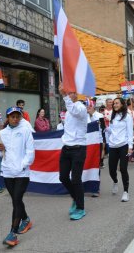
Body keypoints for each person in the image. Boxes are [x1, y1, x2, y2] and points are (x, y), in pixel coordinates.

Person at [0, 106, 35, 247]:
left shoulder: (25, 131)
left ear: (20, 117)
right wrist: (1, 150)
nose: (15, 119)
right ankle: (25, 220)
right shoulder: (1, 133)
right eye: (12, 116)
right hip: (7, 172)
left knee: (16, 200)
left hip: (21, 172)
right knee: (16, 200)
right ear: (8, 118)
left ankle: (12, 233)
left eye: (17, 116)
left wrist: (22, 165)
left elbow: (30, 152)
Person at [58, 83, 88, 220]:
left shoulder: (81, 108)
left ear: (76, 95)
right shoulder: (68, 112)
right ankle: (76, 198)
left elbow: (74, 110)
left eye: (71, 93)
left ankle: (81, 208)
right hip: (67, 148)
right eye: (68, 93)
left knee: (76, 179)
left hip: (78, 149)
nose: (69, 95)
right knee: (63, 177)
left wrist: (64, 95)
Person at [105, 98, 133, 202]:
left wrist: (130, 147)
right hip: (112, 146)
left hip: (123, 146)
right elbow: (112, 131)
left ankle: (126, 192)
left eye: (117, 103)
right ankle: (115, 181)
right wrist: (105, 127)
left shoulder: (127, 116)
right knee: (111, 170)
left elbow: (130, 133)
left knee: (123, 168)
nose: (114, 105)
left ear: (122, 104)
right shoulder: (113, 116)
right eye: (114, 103)